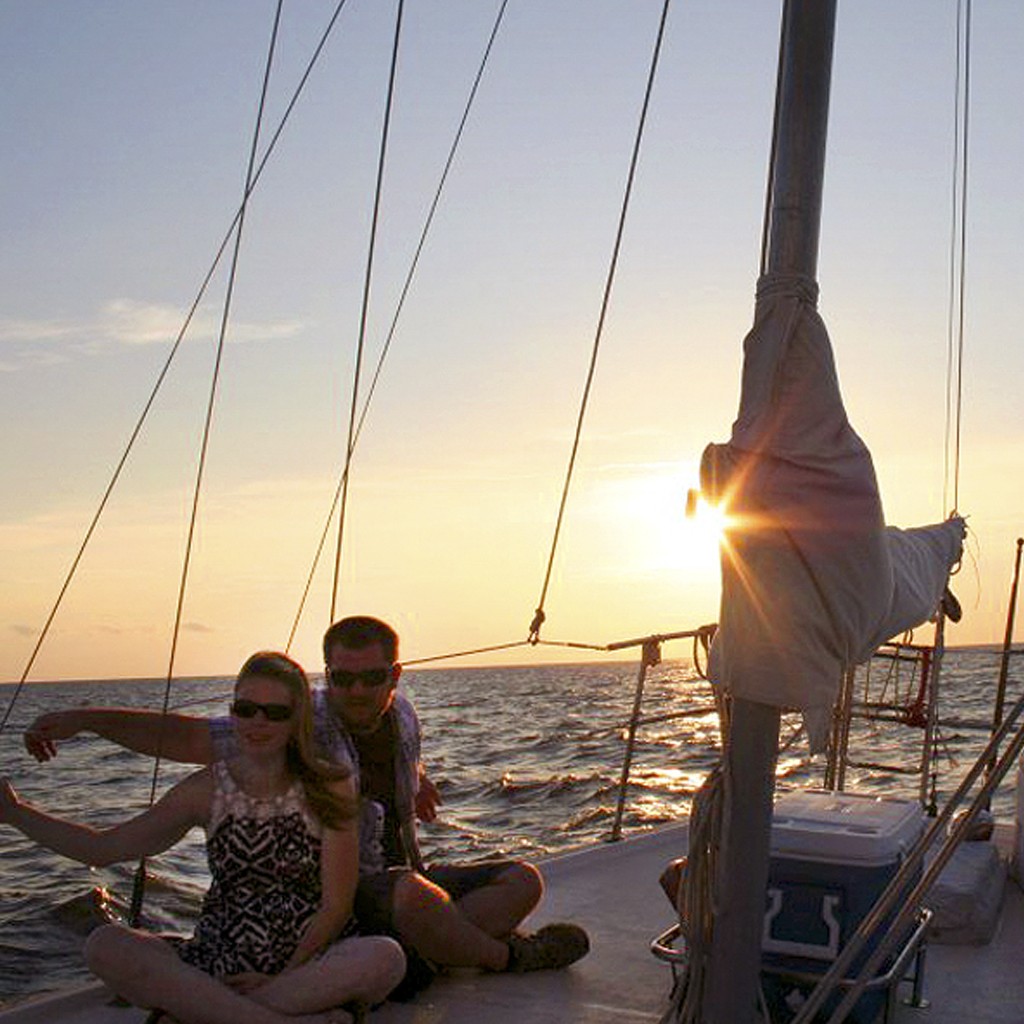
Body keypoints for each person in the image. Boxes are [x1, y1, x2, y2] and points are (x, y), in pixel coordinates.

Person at [24, 618, 590, 997]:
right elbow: (189, 739)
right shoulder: (300, 722)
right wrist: (88, 720)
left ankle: (427, 955)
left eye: (372, 677)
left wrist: (418, 783)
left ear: (394, 675)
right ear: (327, 675)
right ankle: (504, 958)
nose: (357, 690)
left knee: (525, 880)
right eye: (342, 678)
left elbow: (402, 757)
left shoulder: (406, 715)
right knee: (414, 898)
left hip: (409, 874)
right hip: (355, 886)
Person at [9, 651, 406, 1024]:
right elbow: (105, 848)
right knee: (104, 945)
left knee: (385, 957)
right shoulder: (207, 790)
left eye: (275, 712)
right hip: (218, 958)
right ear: (232, 713)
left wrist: (287, 971)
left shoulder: (329, 786)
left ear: (297, 719)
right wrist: (15, 812)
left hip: (304, 961)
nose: (258, 723)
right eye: (245, 709)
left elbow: (336, 905)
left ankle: (207, 1011)